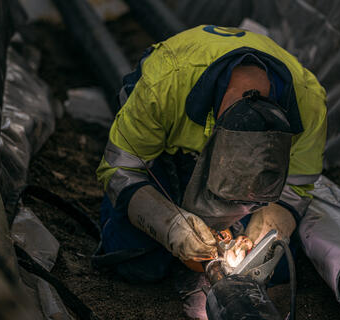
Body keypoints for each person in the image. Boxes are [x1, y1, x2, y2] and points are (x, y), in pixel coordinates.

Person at [96, 25, 326, 319]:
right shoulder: (164, 85)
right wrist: (170, 225)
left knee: (274, 267)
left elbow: (297, 187)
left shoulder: (309, 105)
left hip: (243, 173)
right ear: (216, 119)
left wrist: (259, 235)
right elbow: (120, 169)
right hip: (165, 155)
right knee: (137, 261)